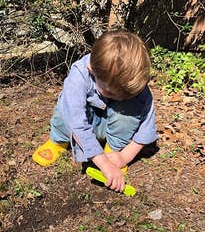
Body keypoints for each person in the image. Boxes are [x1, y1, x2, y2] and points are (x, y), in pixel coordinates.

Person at [32, 29, 157, 193]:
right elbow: (76, 123)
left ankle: (113, 150)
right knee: (66, 111)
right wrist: (103, 164)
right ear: (92, 70)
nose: (119, 98)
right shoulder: (79, 75)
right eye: (111, 93)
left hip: (108, 126)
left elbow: (146, 128)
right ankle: (59, 141)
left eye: (126, 95)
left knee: (131, 109)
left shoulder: (134, 84)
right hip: (83, 122)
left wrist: (124, 157)